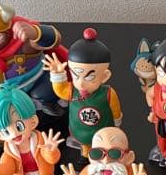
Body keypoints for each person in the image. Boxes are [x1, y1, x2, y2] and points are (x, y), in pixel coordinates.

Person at [43, 28, 122, 156]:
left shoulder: (108, 93)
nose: (80, 83)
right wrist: (57, 74)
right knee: (84, 145)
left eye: (89, 78)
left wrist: (117, 125)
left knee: (102, 147)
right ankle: (85, 155)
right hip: (80, 130)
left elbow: (115, 111)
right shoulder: (72, 90)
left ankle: (100, 156)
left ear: (105, 76)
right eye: (75, 76)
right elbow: (60, 90)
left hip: (102, 131)